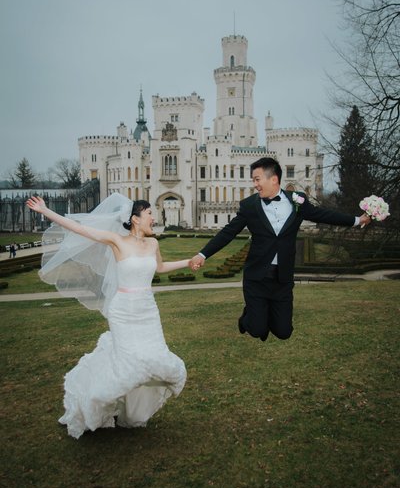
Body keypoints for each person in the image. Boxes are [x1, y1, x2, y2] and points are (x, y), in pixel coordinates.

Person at [27, 193, 194, 439]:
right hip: (123, 311)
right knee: (128, 363)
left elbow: (160, 268)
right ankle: (95, 398)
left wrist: (188, 261)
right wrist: (45, 211)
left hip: (147, 310)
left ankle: (134, 411)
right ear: (135, 218)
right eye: (149, 213)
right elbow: (80, 228)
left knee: (153, 358)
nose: (153, 218)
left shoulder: (153, 244)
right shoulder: (116, 241)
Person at [189, 157, 371, 343]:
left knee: (284, 332)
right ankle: (248, 317)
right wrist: (203, 254)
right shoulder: (249, 206)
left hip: (282, 279)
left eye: (257, 179)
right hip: (257, 277)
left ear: (273, 179)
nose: (255, 184)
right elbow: (228, 232)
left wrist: (357, 220)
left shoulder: (297, 201)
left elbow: (324, 215)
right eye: (254, 180)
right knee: (256, 328)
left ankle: (259, 314)